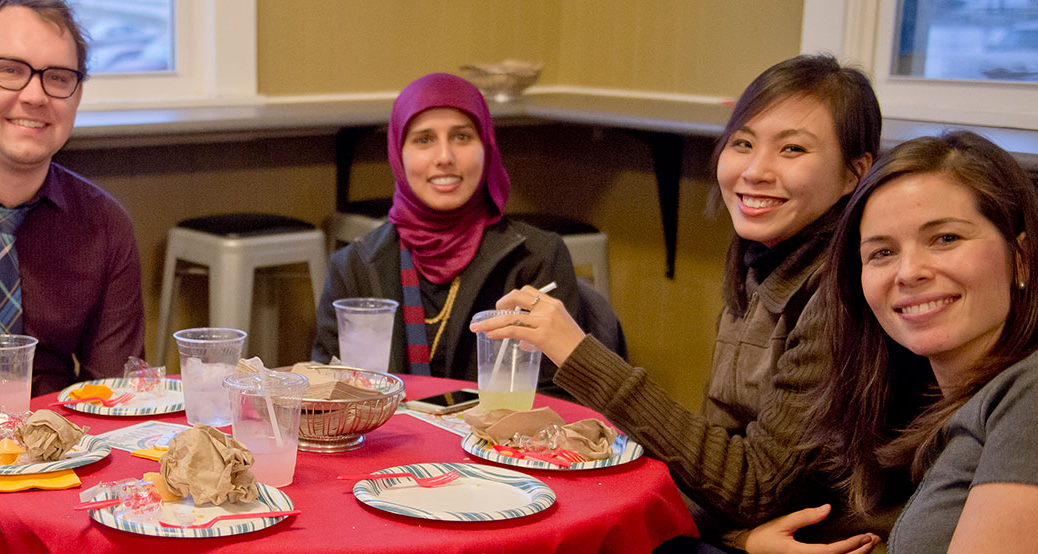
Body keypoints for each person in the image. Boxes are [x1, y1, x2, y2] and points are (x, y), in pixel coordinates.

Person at [472, 54, 883, 549]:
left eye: (792, 149)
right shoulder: (760, 258)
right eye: (743, 143)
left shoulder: (841, 293)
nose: (755, 171)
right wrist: (742, 536)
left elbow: (757, 488)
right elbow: (723, 454)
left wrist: (580, 353)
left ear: (853, 174)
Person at [793, 132, 1038, 553]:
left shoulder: (1029, 394)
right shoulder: (936, 404)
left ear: (1021, 258)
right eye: (882, 253)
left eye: (945, 239)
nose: (909, 273)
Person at [311, 72, 604, 382]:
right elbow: (329, 392)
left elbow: (560, 398)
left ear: (487, 147)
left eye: (461, 137)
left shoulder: (536, 259)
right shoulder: (354, 266)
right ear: (398, 154)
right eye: (424, 139)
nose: (445, 157)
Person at [0, 0, 144, 397]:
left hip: (56, 448)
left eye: (57, 78)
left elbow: (114, 395)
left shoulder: (103, 225)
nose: (35, 96)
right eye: (11, 70)